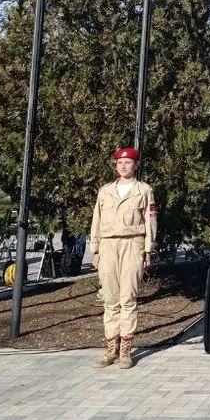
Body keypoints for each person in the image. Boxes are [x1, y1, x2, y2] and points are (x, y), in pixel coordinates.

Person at [90, 147, 157, 369]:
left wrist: (148, 249)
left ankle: (126, 350)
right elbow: (96, 222)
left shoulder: (144, 190)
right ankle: (111, 348)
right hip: (108, 244)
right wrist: (96, 250)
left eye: (128, 163)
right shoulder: (105, 191)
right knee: (110, 299)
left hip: (132, 244)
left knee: (128, 298)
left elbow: (150, 222)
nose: (123, 166)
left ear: (135, 165)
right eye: (120, 163)